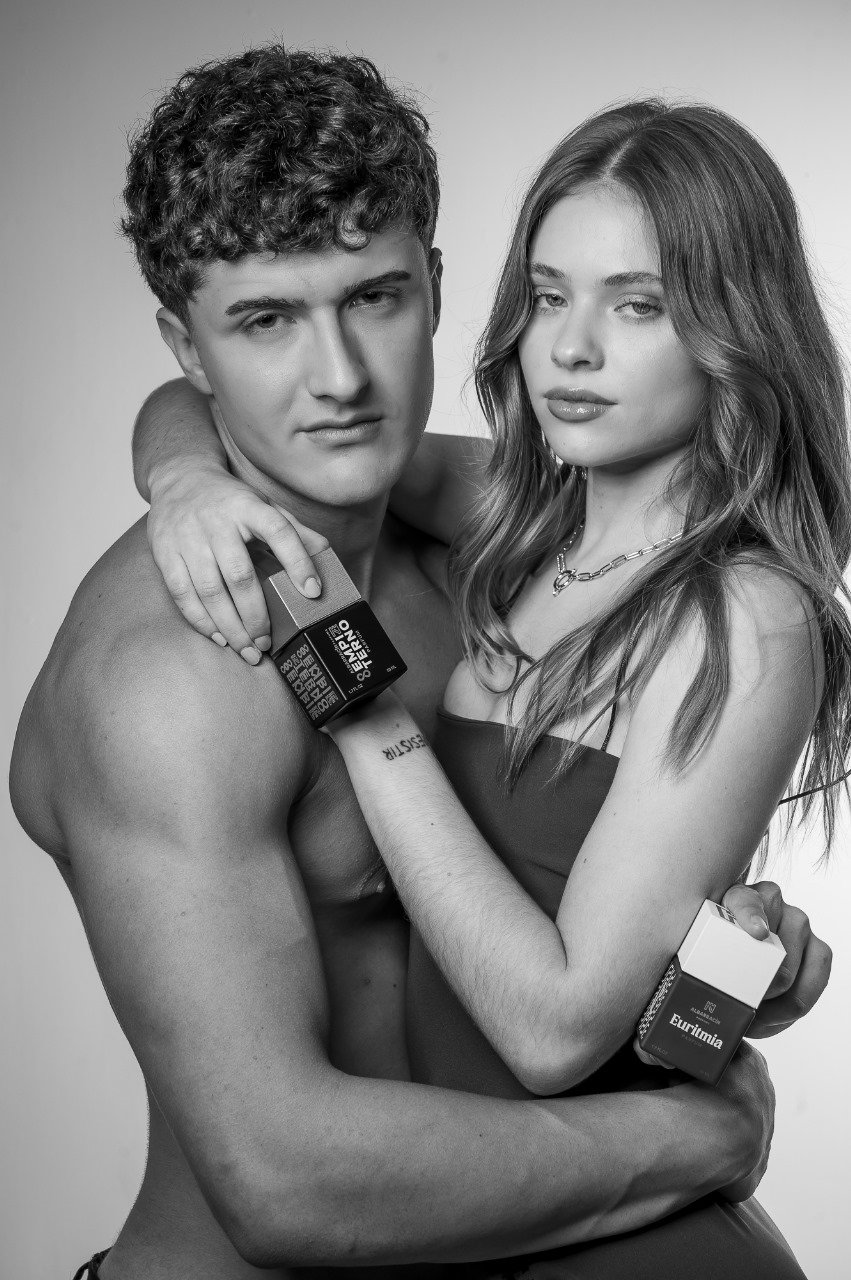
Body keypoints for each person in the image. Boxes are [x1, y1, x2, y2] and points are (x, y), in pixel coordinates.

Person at [7, 50, 809, 1280]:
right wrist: (691, 1133)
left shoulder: (490, 546)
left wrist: (718, 961)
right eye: (265, 321)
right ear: (187, 344)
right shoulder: (170, 679)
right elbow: (282, 1179)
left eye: (373, 298)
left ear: (433, 286)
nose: (339, 379)